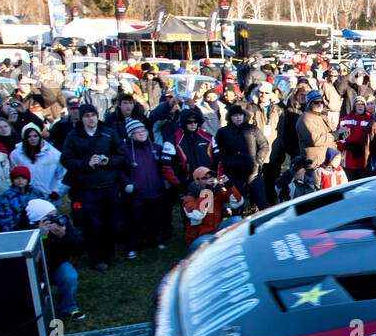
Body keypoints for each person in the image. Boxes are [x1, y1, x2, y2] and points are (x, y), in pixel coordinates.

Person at [59, 103, 124, 271]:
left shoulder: (108, 133)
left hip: (109, 185)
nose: (91, 119)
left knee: (111, 221)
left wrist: (109, 161)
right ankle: (96, 258)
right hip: (85, 188)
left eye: (93, 115)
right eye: (87, 116)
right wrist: (86, 164)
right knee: (92, 224)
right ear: (81, 118)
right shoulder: (73, 136)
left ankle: (110, 253)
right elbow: (66, 160)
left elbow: (121, 155)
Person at [119, 119, 179, 256]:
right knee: (135, 221)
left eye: (143, 131)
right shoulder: (124, 150)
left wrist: (166, 182)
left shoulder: (156, 148)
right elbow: (120, 170)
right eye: (136, 132)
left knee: (155, 218)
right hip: (136, 193)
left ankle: (156, 241)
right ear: (130, 135)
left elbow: (166, 166)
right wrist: (127, 183)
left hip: (156, 190)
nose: (141, 134)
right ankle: (134, 246)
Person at [24, 198, 84, 321]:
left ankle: (68, 309)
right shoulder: (25, 229)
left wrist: (64, 236)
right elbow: (32, 256)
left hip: (57, 264)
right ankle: (37, 313)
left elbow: (79, 249)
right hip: (32, 268)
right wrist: (43, 236)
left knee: (69, 276)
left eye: (54, 214)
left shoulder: (62, 224)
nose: (55, 219)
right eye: (50, 216)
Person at [213, 105, 269, 211]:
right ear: (230, 117)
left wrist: (258, 161)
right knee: (236, 204)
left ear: (244, 116)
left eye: (240, 115)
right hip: (233, 173)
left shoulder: (252, 129)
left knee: (262, 201)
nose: (238, 118)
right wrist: (227, 162)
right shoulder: (223, 132)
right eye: (235, 115)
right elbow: (218, 151)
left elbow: (264, 146)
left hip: (252, 172)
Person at [181, 167, 243, 246]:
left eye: (211, 177)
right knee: (214, 244)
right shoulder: (189, 198)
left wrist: (229, 185)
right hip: (198, 237)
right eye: (205, 178)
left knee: (237, 220)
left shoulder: (217, 191)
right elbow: (198, 215)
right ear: (196, 181)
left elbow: (238, 202)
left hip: (216, 229)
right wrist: (208, 192)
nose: (209, 180)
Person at [10, 124, 66, 201]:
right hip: (22, 197)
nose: (32, 139)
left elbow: (63, 175)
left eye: (35, 136)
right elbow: (11, 174)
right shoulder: (16, 154)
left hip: (47, 196)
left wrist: (57, 192)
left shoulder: (54, 154)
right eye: (29, 136)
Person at [296, 90, 335, 167]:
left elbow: (330, 135)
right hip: (314, 163)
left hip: (326, 161)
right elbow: (315, 140)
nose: (319, 104)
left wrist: (340, 135)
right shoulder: (306, 118)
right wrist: (334, 136)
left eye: (321, 102)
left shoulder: (322, 117)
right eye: (316, 102)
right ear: (309, 104)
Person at [0, 165, 41, 232]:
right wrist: (11, 230)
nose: (20, 180)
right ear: (12, 180)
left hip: (35, 227)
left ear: (28, 180)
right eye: (17, 178)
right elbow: (4, 215)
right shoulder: (8, 195)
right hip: (16, 228)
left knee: (43, 238)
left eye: (23, 178)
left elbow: (43, 208)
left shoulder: (35, 192)